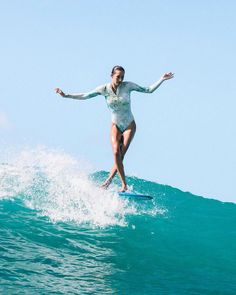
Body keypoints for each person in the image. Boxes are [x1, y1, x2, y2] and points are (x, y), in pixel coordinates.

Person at [55, 66, 174, 192]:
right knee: (116, 152)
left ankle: (120, 184)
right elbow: (85, 95)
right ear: (111, 75)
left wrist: (162, 79)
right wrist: (66, 95)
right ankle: (111, 182)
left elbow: (148, 90)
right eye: (118, 76)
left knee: (121, 155)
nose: (120, 79)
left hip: (129, 125)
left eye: (122, 77)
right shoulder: (104, 89)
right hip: (115, 124)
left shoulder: (128, 86)